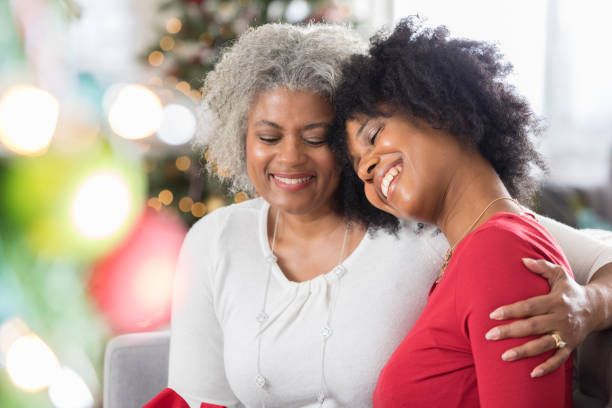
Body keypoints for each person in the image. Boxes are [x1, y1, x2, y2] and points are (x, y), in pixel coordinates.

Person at [144, 23, 612, 408]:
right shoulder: (214, 240)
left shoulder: (425, 221)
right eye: (268, 137)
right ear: (240, 139)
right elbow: (198, 396)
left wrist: (589, 305)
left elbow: (546, 248)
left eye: (316, 137)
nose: (289, 158)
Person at [330, 17, 611, 407]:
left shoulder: (497, 252)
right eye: (359, 167)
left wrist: (593, 305)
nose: (365, 170)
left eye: (374, 136)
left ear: (442, 111)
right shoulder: (472, 254)